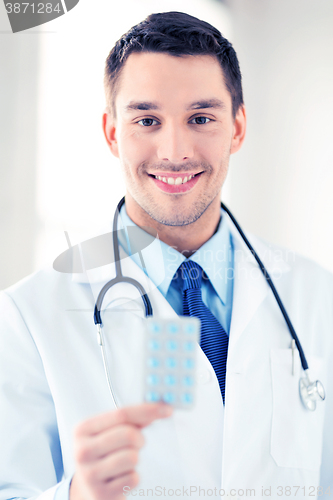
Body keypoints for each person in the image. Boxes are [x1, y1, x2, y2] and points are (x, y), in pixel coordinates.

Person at [1, 10, 333, 500]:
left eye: (201, 118)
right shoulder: (28, 316)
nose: (174, 150)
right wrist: (76, 496)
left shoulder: (314, 295)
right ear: (112, 133)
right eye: (147, 120)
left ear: (237, 128)